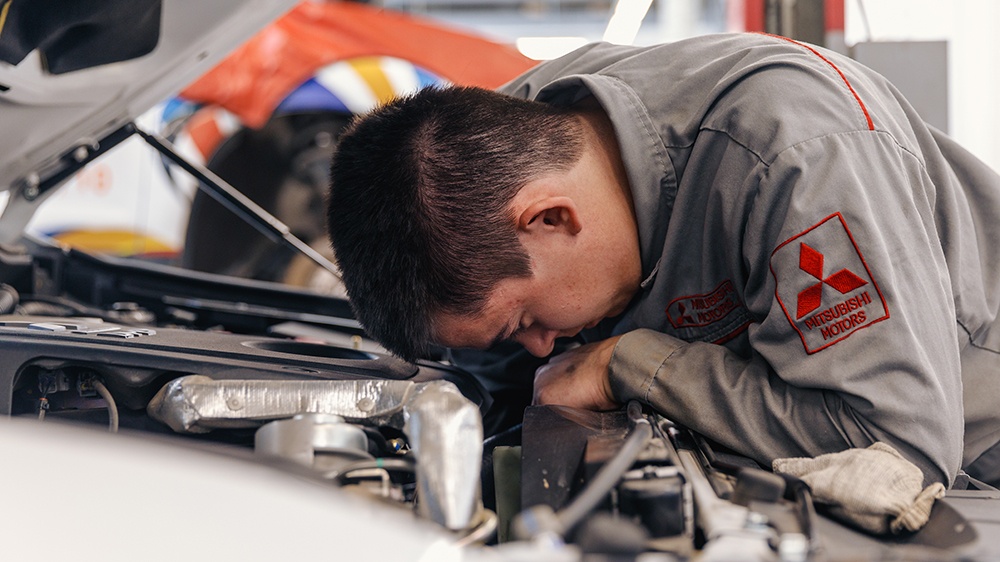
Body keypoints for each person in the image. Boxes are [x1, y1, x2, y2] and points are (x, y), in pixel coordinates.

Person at [326, 32, 1000, 488]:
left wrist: (629, 365)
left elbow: (893, 447)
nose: (539, 350)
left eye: (522, 323)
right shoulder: (494, 148)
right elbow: (501, 383)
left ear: (552, 218)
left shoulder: (796, 157)